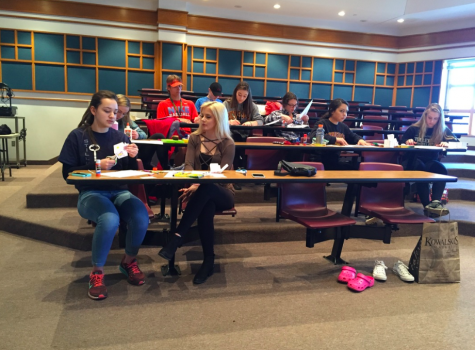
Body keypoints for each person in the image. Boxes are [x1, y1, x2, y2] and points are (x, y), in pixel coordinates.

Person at [59, 90, 149, 300]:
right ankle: (97, 272)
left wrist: (134, 156)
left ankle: (128, 262)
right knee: (109, 219)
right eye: (106, 111)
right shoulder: (78, 136)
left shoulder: (119, 136)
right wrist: (96, 165)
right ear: (93, 110)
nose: (112, 116)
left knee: (140, 215)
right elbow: (67, 173)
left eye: (115, 112)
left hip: (118, 190)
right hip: (90, 193)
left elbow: (126, 169)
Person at [158, 101, 235, 284]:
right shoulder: (194, 138)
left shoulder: (228, 143)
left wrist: (198, 185)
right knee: (206, 207)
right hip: (201, 192)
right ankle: (208, 261)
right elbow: (188, 166)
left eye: (208, 116)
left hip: (223, 192)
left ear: (218, 119)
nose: (202, 119)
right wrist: (196, 184)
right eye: (202, 115)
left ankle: (177, 236)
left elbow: (221, 175)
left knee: (208, 188)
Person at [400, 103, 457, 217]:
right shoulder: (414, 128)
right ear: (425, 116)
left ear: (439, 119)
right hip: (414, 160)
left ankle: (435, 202)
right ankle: (427, 205)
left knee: (441, 170)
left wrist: (447, 143)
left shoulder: (443, 130)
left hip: (431, 160)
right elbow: (401, 142)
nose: (431, 121)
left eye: (435, 119)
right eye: (430, 118)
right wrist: (408, 142)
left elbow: (455, 141)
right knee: (421, 171)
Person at [309, 98, 369, 170]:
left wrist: (360, 139)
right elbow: (314, 135)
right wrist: (335, 139)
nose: (344, 114)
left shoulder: (343, 126)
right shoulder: (322, 123)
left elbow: (352, 136)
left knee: (358, 169)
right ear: (332, 111)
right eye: (341, 111)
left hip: (335, 161)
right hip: (320, 160)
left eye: (346, 112)